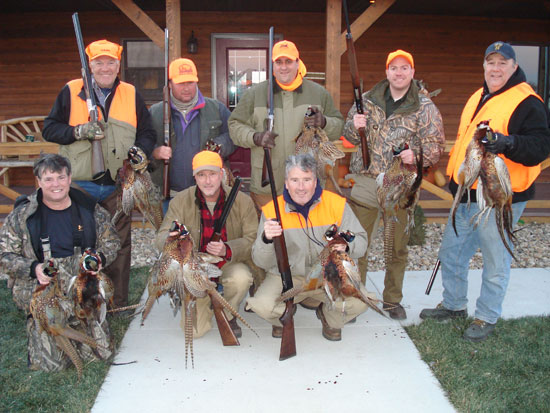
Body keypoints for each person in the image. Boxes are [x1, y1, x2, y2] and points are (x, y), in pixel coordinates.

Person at [420, 42, 550, 341]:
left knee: (495, 259)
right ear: (484, 66)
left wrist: (507, 144)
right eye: (490, 62)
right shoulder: (479, 96)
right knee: (451, 252)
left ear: (514, 67)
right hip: (467, 194)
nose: (495, 68)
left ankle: (486, 316)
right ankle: (453, 306)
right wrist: (456, 183)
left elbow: (540, 147)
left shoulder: (527, 101)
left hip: (500, 198)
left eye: (502, 63)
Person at [42, 39, 156, 308]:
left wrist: (141, 151)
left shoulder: (131, 93)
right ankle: (77, 301)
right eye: (99, 62)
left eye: (111, 62)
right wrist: (77, 131)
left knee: (118, 244)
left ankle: (115, 304)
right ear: (89, 65)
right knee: (76, 243)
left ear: (119, 65)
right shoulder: (71, 91)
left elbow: (148, 132)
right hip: (80, 185)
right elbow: (49, 129)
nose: (105, 67)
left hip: (118, 185)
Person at [343, 49, 445, 320]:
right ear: (386, 72)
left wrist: (417, 155)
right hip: (366, 181)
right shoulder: (365, 101)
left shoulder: (425, 108)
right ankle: (354, 298)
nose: (399, 73)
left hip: (401, 183)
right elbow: (348, 137)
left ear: (412, 72)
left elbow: (436, 147)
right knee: (356, 243)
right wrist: (355, 125)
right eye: (394, 68)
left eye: (404, 68)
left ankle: (392, 300)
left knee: (396, 246)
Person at [0, 154, 120, 372]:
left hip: (81, 288)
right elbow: (4, 256)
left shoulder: (90, 209)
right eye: (48, 179)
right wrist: (34, 268)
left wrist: (98, 259)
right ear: (38, 182)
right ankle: (40, 326)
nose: (56, 184)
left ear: (69, 178)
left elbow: (112, 242)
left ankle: (82, 320)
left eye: (60, 177)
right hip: (45, 293)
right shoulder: (22, 216)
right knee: (53, 366)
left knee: (100, 355)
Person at [247, 153, 371, 341]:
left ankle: (329, 318)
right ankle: (285, 315)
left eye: (307, 179)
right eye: (295, 180)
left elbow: (361, 241)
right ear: (286, 183)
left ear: (315, 181)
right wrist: (266, 239)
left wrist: (346, 246)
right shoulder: (272, 210)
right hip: (288, 276)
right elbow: (260, 261)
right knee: (263, 305)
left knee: (360, 302)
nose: (301, 187)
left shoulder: (336, 205)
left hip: (328, 274)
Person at [229, 40, 344, 213]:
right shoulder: (255, 93)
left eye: (289, 62)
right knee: (271, 234)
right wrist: (255, 137)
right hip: (267, 186)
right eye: (279, 62)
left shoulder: (319, 93)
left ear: (298, 63)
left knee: (304, 231)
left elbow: (339, 125)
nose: (284, 67)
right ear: (272, 65)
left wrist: (325, 122)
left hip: (305, 184)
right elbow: (234, 125)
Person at [155, 151, 257, 338]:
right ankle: (210, 303)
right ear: (194, 177)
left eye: (212, 174)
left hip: (227, 263)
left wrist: (228, 248)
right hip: (196, 269)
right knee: (194, 332)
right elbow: (160, 237)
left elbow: (253, 239)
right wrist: (171, 240)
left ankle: (228, 313)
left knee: (241, 278)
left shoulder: (243, 201)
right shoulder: (180, 201)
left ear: (222, 174)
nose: (207, 181)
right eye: (201, 175)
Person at [149, 58, 234, 210]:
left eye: (190, 82)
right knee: (170, 234)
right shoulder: (155, 112)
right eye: (181, 83)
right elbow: (143, 142)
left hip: (208, 193)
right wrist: (155, 152)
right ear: (169, 84)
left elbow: (234, 136)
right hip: (169, 194)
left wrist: (220, 146)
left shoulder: (216, 108)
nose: (186, 88)